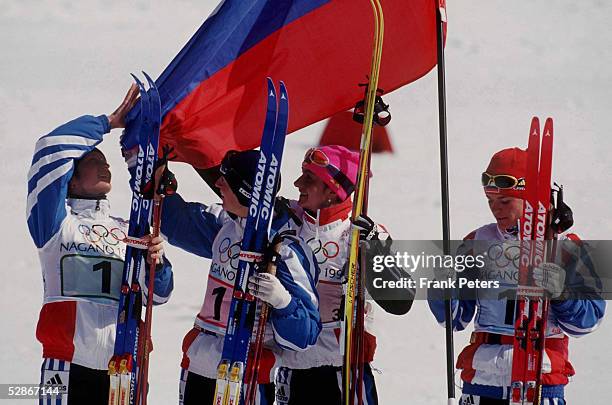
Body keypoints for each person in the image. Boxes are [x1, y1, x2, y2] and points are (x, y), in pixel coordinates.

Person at [26, 85, 174, 405]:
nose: (105, 164)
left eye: (105, 160)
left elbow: (158, 296)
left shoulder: (129, 229)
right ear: (73, 179)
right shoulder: (56, 226)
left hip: (123, 367)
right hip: (66, 364)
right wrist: (107, 123)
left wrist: (156, 264)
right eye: (94, 159)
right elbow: (50, 148)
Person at [428, 147, 606, 405]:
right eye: (490, 201)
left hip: (540, 378)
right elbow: (453, 319)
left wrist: (561, 293)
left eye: (505, 201)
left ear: (531, 198)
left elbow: (588, 322)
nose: (496, 210)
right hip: (482, 379)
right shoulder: (478, 242)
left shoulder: (567, 246)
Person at [158, 149, 321, 405]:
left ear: (245, 192)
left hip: (250, 371)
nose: (217, 183)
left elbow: (305, 336)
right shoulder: (226, 225)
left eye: (226, 179)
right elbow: (175, 221)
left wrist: (282, 301)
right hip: (201, 363)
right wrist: (147, 171)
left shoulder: (285, 250)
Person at [275, 145, 414, 405]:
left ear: (332, 190)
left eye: (309, 178)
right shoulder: (286, 219)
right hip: (293, 369)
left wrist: (374, 250)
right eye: (301, 174)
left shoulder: (358, 232)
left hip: (344, 370)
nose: (297, 183)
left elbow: (401, 301)